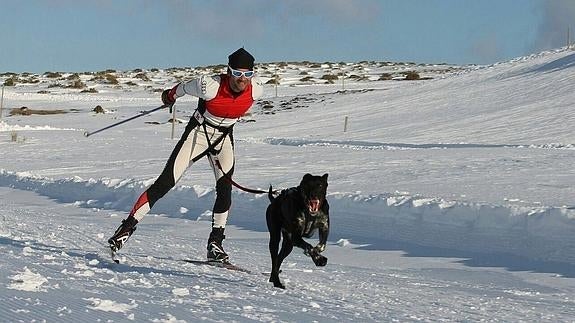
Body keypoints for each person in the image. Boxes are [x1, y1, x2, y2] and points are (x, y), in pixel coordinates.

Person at [108, 48, 263, 263]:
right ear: (229, 72)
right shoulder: (209, 85)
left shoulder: (256, 89)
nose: (242, 80)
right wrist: (169, 96)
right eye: (237, 74)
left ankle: (215, 244)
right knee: (164, 183)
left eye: (247, 75)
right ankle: (124, 231)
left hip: (224, 137)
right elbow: (182, 87)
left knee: (225, 190)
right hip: (198, 133)